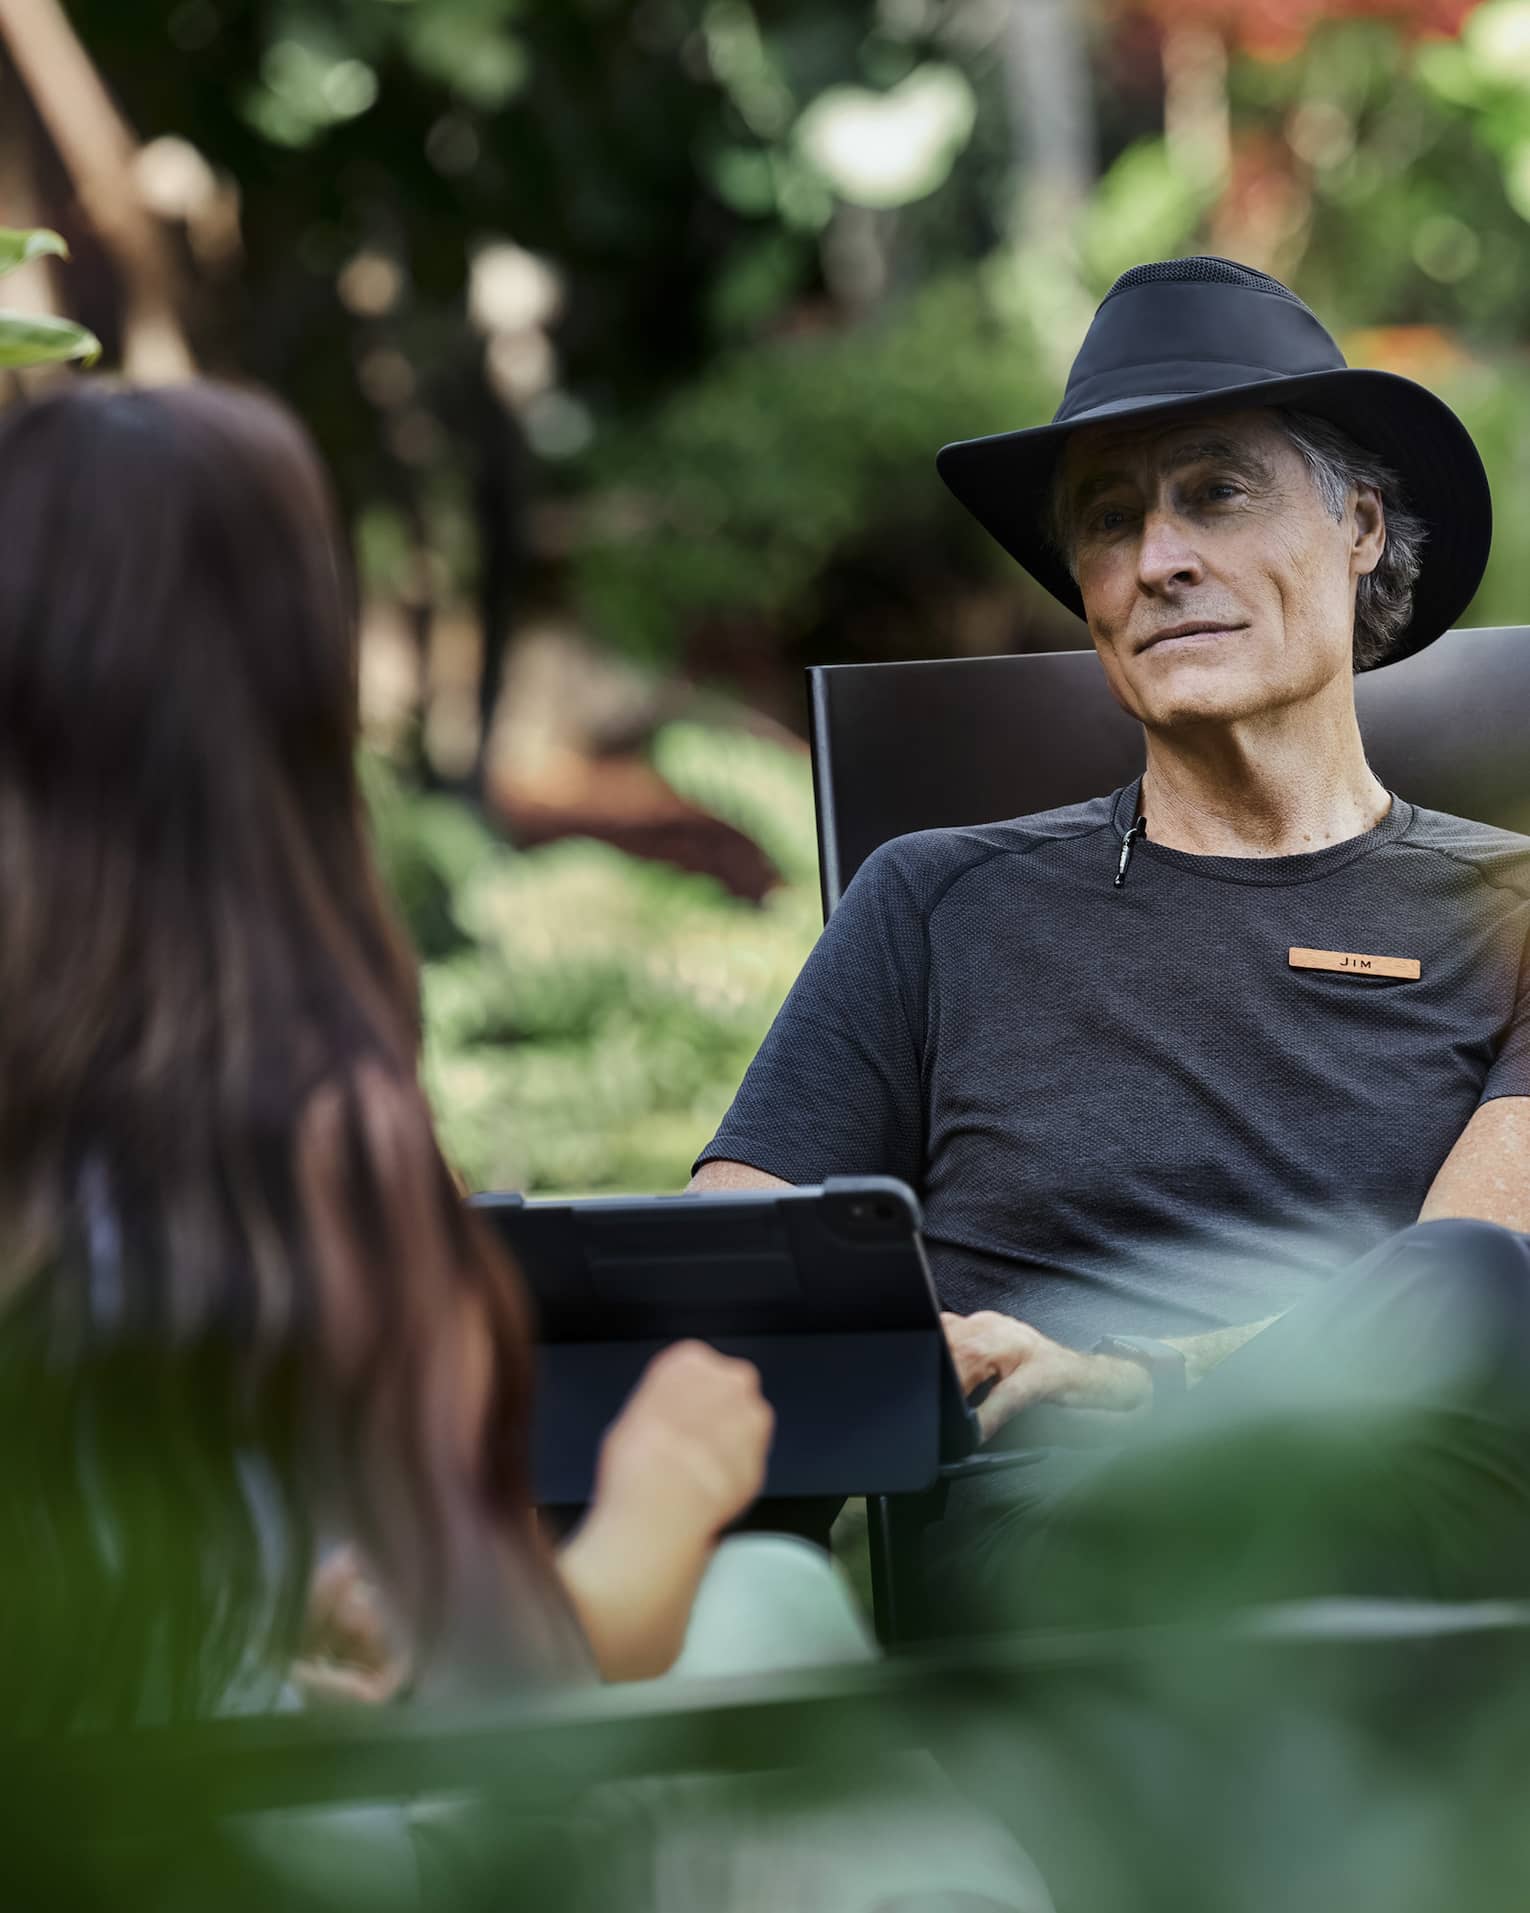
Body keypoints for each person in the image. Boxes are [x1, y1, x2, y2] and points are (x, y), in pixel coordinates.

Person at [0, 381, 1051, 1913]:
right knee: (760, 1597)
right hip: (276, 1837)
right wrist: (662, 1489)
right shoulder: (289, 1125)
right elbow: (528, 1685)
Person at [692, 256, 1530, 1625]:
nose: (1156, 559)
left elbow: (1474, 1306)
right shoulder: (931, 903)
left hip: (1401, 1561)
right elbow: (723, 1289)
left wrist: (1148, 1381)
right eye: (1106, 519)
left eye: (1214, 492)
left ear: (1361, 525)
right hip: (1055, 1561)